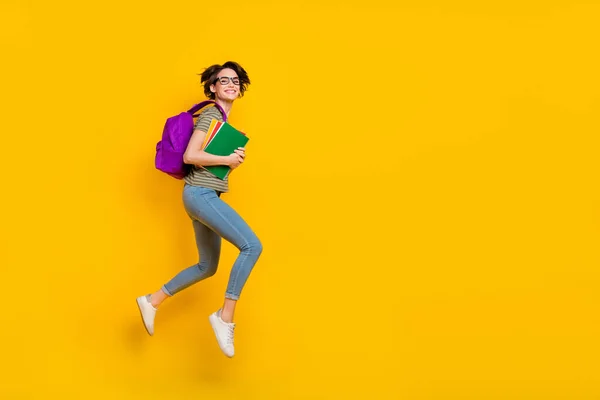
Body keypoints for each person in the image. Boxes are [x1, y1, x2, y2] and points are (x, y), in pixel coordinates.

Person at [136, 61, 262, 358]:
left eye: (235, 80)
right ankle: (225, 317)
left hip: (198, 195)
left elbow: (204, 159)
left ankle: (152, 301)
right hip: (201, 195)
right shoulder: (210, 114)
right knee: (252, 246)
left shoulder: (222, 123)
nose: (231, 83)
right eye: (224, 80)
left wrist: (230, 155)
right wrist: (230, 161)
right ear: (213, 87)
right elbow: (191, 155)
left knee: (207, 266)